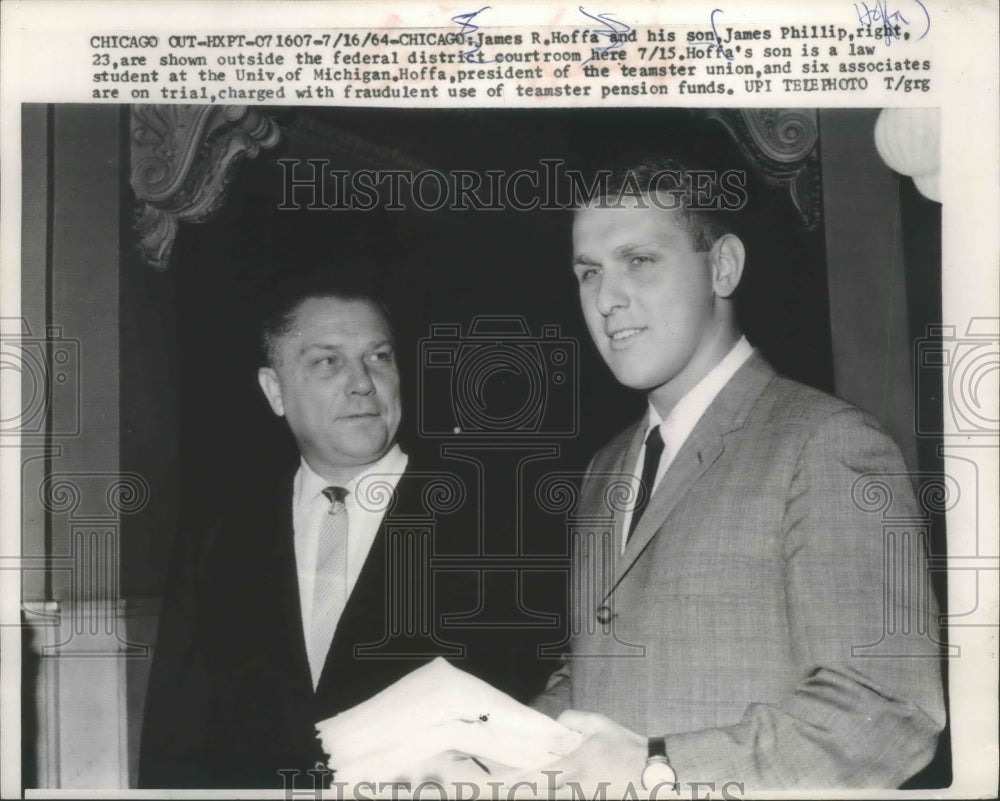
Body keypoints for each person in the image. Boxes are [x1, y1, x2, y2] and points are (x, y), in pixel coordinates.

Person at [530, 158, 946, 792]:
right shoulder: (605, 467)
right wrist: (499, 743)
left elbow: (887, 708)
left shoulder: (825, 443)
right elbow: (594, 669)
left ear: (722, 267)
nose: (607, 299)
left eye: (638, 260)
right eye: (589, 272)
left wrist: (656, 766)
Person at [139, 271, 548, 788]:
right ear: (275, 390)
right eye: (328, 361)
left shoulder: (496, 525)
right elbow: (175, 737)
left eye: (379, 356)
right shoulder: (220, 538)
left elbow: (530, 718)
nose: (362, 382)